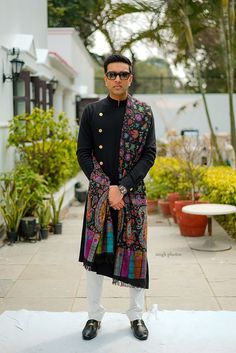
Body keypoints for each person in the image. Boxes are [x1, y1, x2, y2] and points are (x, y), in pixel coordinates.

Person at [76, 53, 156, 341]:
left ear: (131, 77)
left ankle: (136, 315)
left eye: (124, 74)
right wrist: (106, 187)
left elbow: (150, 154)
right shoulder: (91, 111)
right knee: (95, 258)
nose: (118, 79)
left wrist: (122, 187)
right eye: (113, 74)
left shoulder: (143, 113)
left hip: (132, 198)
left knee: (136, 255)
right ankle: (94, 316)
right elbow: (83, 153)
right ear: (105, 78)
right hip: (99, 198)